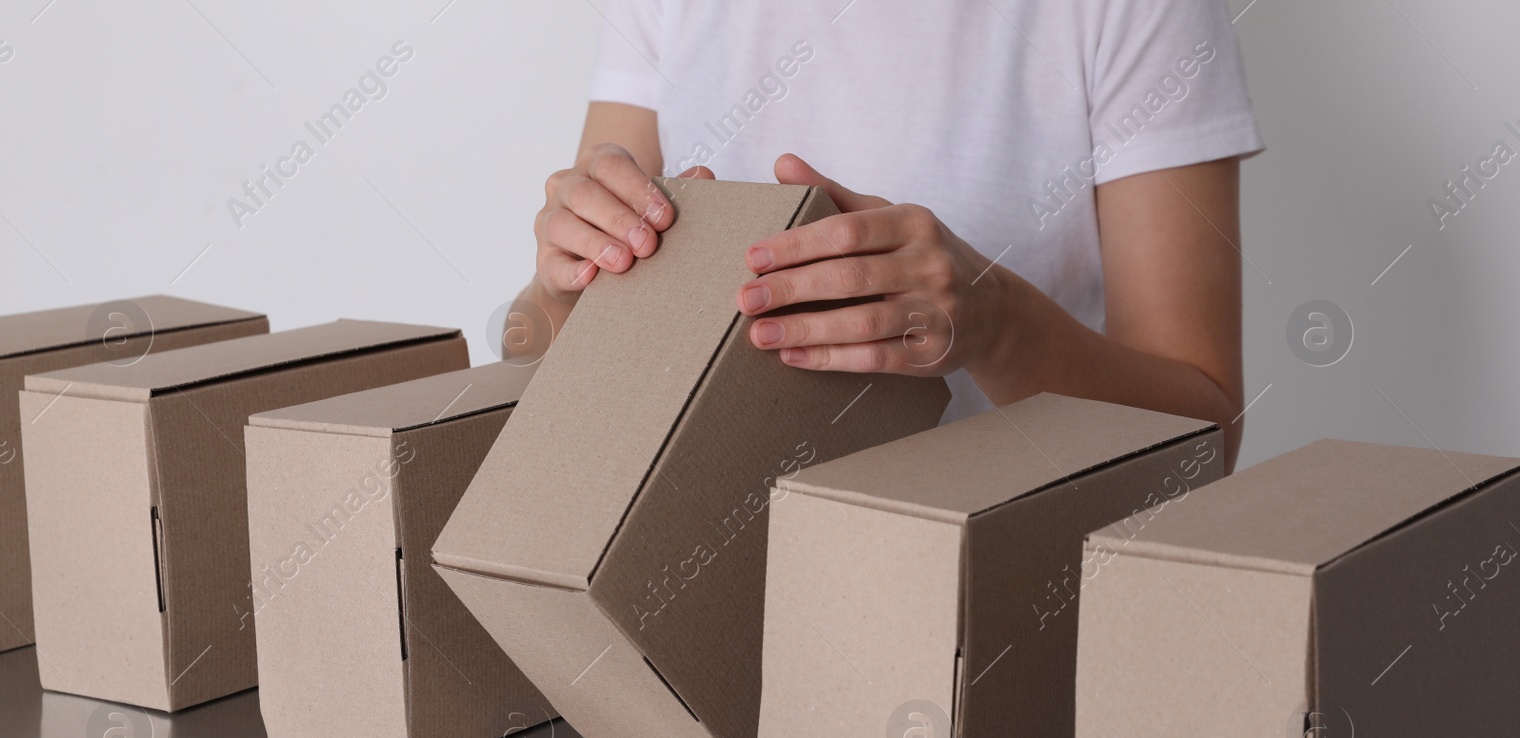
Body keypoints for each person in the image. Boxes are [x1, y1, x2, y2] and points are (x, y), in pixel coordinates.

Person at [506, 0, 1264, 464]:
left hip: (1001, 608)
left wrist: (1001, 327)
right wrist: (566, 289)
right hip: (711, 596)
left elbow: (1205, 437)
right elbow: (533, 352)